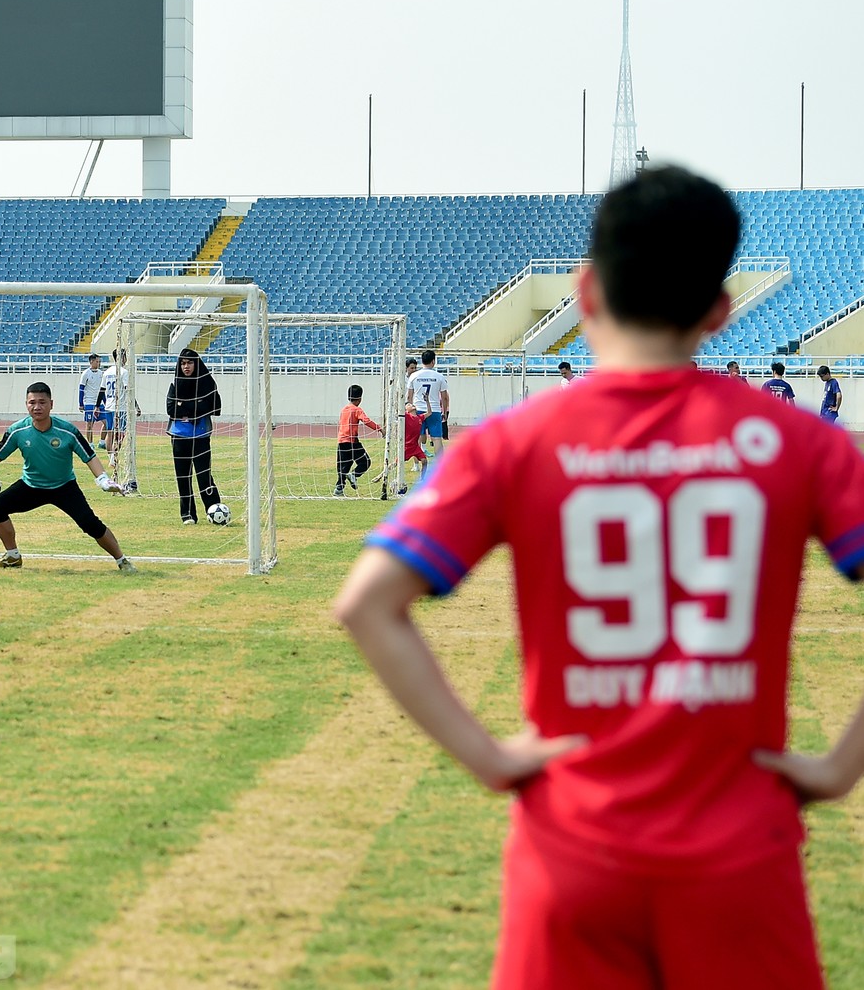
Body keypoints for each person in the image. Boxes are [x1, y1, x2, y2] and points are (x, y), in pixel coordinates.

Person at [334, 166, 864, 989]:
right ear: (721, 311)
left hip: (572, 851)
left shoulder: (512, 443)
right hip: (740, 856)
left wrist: (488, 758)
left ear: (585, 291)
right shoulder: (797, 442)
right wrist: (839, 768)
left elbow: (367, 603)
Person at [0, 382, 134, 571]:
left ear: (51, 404)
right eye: (32, 402)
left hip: (64, 487)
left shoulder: (68, 430)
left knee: (90, 524)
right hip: (31, 486)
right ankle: (12, 556)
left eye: (42, 402)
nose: (37, 407)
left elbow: (89, 457)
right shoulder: (17, 430)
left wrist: (103, 480)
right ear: (26, 404)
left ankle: (121, 560)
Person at [166, 348, 223, 522]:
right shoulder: (175, 385)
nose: (186, 367)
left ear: (196, 364)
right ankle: (188, 514)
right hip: (179, 436)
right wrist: (197, 406)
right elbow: (171, 409)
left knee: (204, 475)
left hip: (201, 436)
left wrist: (186, 408)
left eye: (189, 363)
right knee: (183, 477)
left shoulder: (207, 383)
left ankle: (214, 509)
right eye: (183, 363)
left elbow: (215, 407)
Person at [333, 383, 384, 497]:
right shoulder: (357, 410)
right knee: (365, 461)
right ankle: (354, 475)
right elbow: (366, 421)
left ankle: (338, 489)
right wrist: (379, 429)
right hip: (352, 441)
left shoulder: (344, 410)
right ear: (360, 398)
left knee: (344, 465)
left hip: (341, 441)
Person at [406, 349, 451, 457]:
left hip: (418, 410)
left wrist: (410, 409)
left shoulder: (414, 376)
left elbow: (409, 396)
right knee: (436, 439)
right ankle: (439, 466)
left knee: (417, 438)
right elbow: (444, 397)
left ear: (422, 361)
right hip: (434, 410)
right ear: (433, 361)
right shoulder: (439, 376)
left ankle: (416, 465)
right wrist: (444, 412)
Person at [99, 349, 127, 463]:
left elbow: (102, 390)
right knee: (122, 432)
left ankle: (111, 457)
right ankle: (114, 454)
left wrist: (97, 405)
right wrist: (136, 406)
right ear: (122, 357)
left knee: (110, 431)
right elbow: (127, 390)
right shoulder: (124, 372)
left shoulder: (107, 372)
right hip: (121, 406)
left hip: (109, 406)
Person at [396, 408, 427, 495]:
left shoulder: (420, 417)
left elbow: (430, 412)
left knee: (424, 461)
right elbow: (398, 412)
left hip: (415, 446)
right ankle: (384, 473)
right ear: (407, 410)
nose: (412, 405)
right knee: (397, 462)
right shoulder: (406, 416)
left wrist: (427, 400)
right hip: (407, 446)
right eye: (409, 405)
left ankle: (423, 480)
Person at [78, 352, 105, 442]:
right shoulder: (85, 373)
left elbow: (102, 390)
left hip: (99, 403)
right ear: (91, 362)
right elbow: (81, 389)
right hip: (89, 402)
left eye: (99, 361)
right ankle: (90, 444)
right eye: (97, 361)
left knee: (107, 423)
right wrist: (81, 404)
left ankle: (102, 442)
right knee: (89, 424)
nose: (99, 363)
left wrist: (105, 402)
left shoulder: (101, 373)